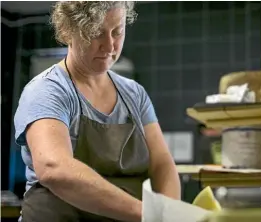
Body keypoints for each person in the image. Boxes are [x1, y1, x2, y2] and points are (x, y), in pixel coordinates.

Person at [13, 1, 181, 222]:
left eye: (117, 31)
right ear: (67, 31)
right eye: (95, 33)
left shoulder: (134, 94)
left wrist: (168, 212)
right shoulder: (47, 91)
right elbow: (55, 169)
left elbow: (162, 165)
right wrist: (146, 214)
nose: (110, 46)